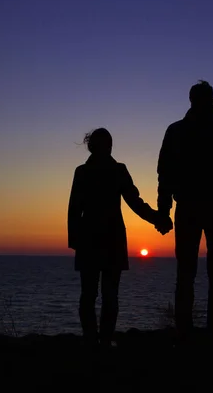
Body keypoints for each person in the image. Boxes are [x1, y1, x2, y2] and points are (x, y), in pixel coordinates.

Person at [156, 80, 213, 348]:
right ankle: (212, 333)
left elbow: (166, 175)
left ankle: (187, 332)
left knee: (191, 272)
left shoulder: (178, 131)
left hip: (196, 208)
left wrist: (164, 212)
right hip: (212, 207)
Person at [68, 127, 170, 349]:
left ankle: (91, 340)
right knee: (108, 294)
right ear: (109, 146)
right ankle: (103, 340)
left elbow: (74, 209)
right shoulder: (117, 170)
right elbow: (135, 203)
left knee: (89, 294)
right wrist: (158, 219)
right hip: (112, 239)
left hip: (89, 240)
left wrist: (75, 240)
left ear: (91, 146)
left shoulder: (83, 172)